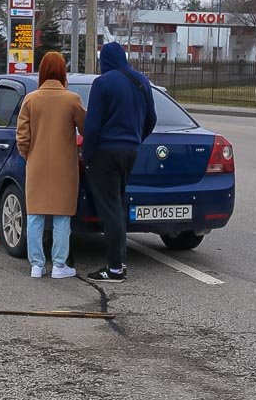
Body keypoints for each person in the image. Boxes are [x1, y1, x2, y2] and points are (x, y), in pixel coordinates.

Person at [80, 40, 157, 283]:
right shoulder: (141, 81)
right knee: (119, 203)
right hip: (130, 151)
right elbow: (151, 118)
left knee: (110, 208)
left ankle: (114, 269)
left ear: (105, 61)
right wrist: (136, 139)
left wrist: (87, 154)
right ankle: (120, 262)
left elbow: (92, 126)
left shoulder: (102, 83)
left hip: (105, 152)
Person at [16, 51, 86, 279]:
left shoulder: (31, 99)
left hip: (36, 164)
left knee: (35, 215)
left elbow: (22, 137)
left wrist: (30, 156)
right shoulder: (72, 100)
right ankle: (59, 265)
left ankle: (36, 265)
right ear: (63, 72)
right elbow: (86, 129)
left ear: (43, 72)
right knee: (62, 216)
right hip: (64, 166)